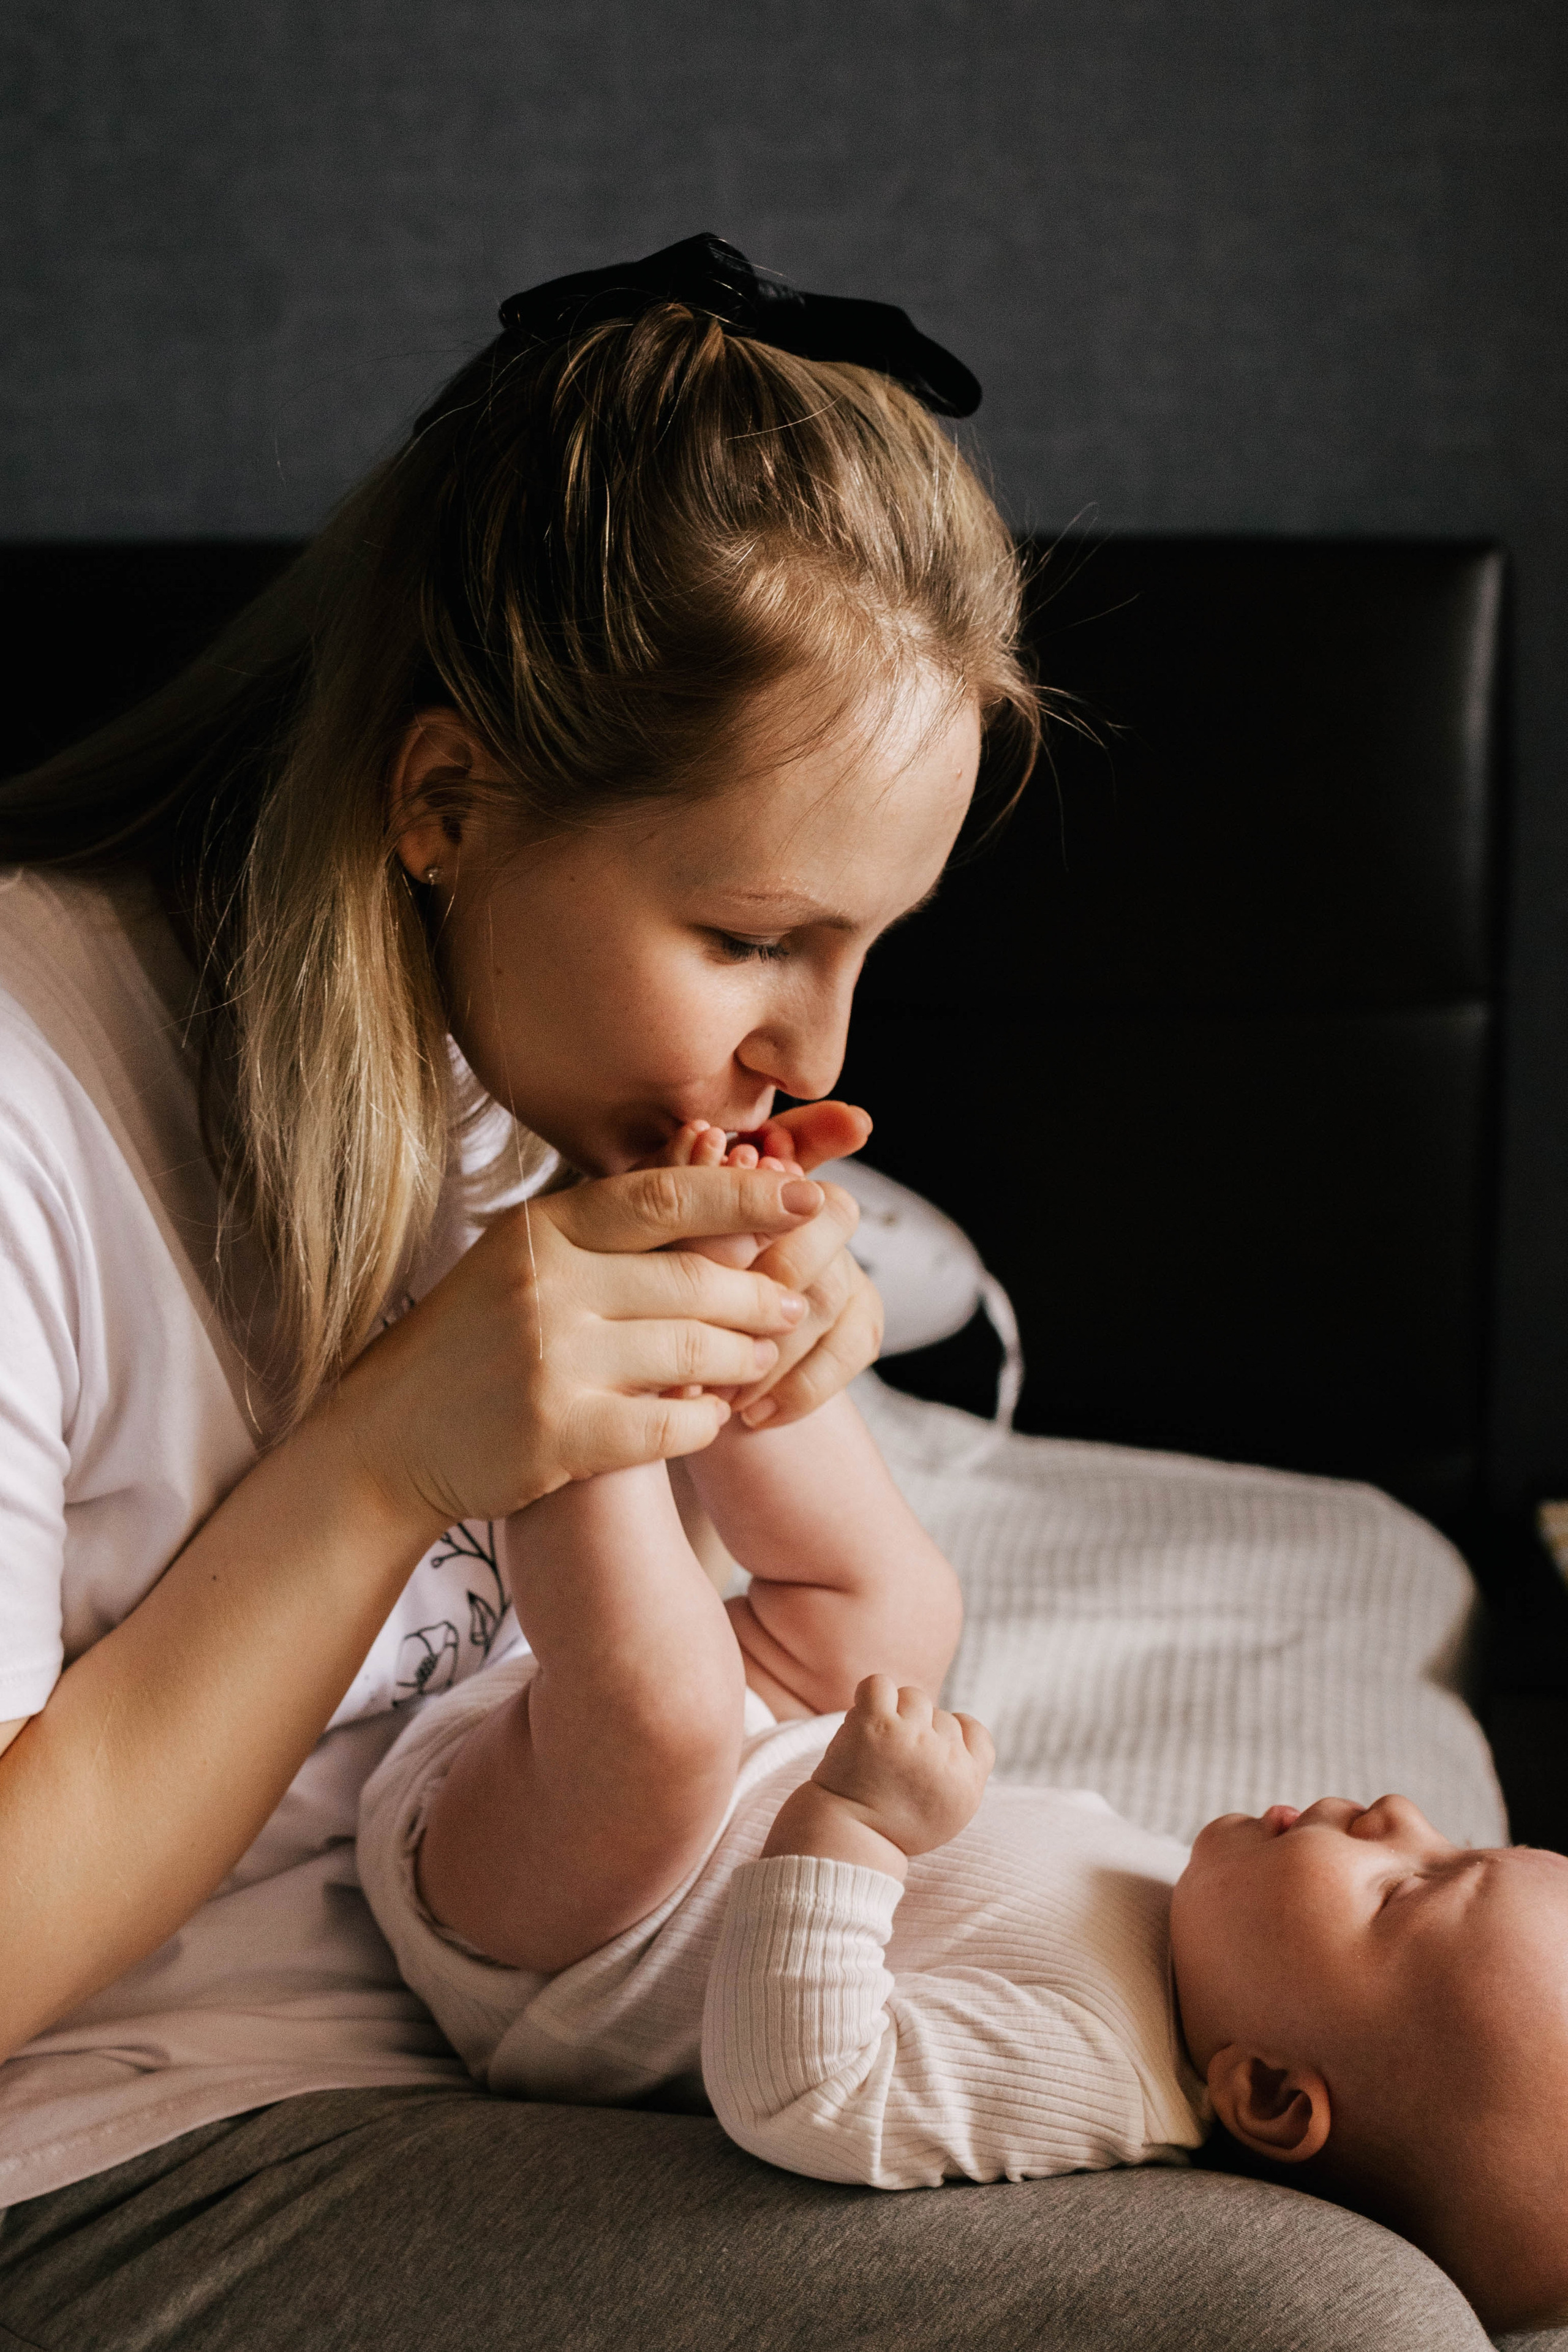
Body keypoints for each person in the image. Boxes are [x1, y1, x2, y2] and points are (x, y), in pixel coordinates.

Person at [0, 236, 1038, 2343]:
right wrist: (390, 1455)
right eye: (754, 938)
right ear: (447, 797)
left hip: (534, 2079)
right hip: (137, 2153)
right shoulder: (31, 1100)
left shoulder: (521, 1067)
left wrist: (766, 1391)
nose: (818, 1062)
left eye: (868, 949)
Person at [358, 1126, 1568, 2337]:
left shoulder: (1092, 2078)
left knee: (664, 1714)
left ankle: (575, 1386)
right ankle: (736, 1307)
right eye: (1451, 1840)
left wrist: (856, 1827)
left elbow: (804, 2090)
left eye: (1405, 1889)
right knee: (900, 1611)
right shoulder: (1207, 1936)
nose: (1397, 1817)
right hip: (700, 1786)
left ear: (1260, 2093)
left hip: (550, 1931)